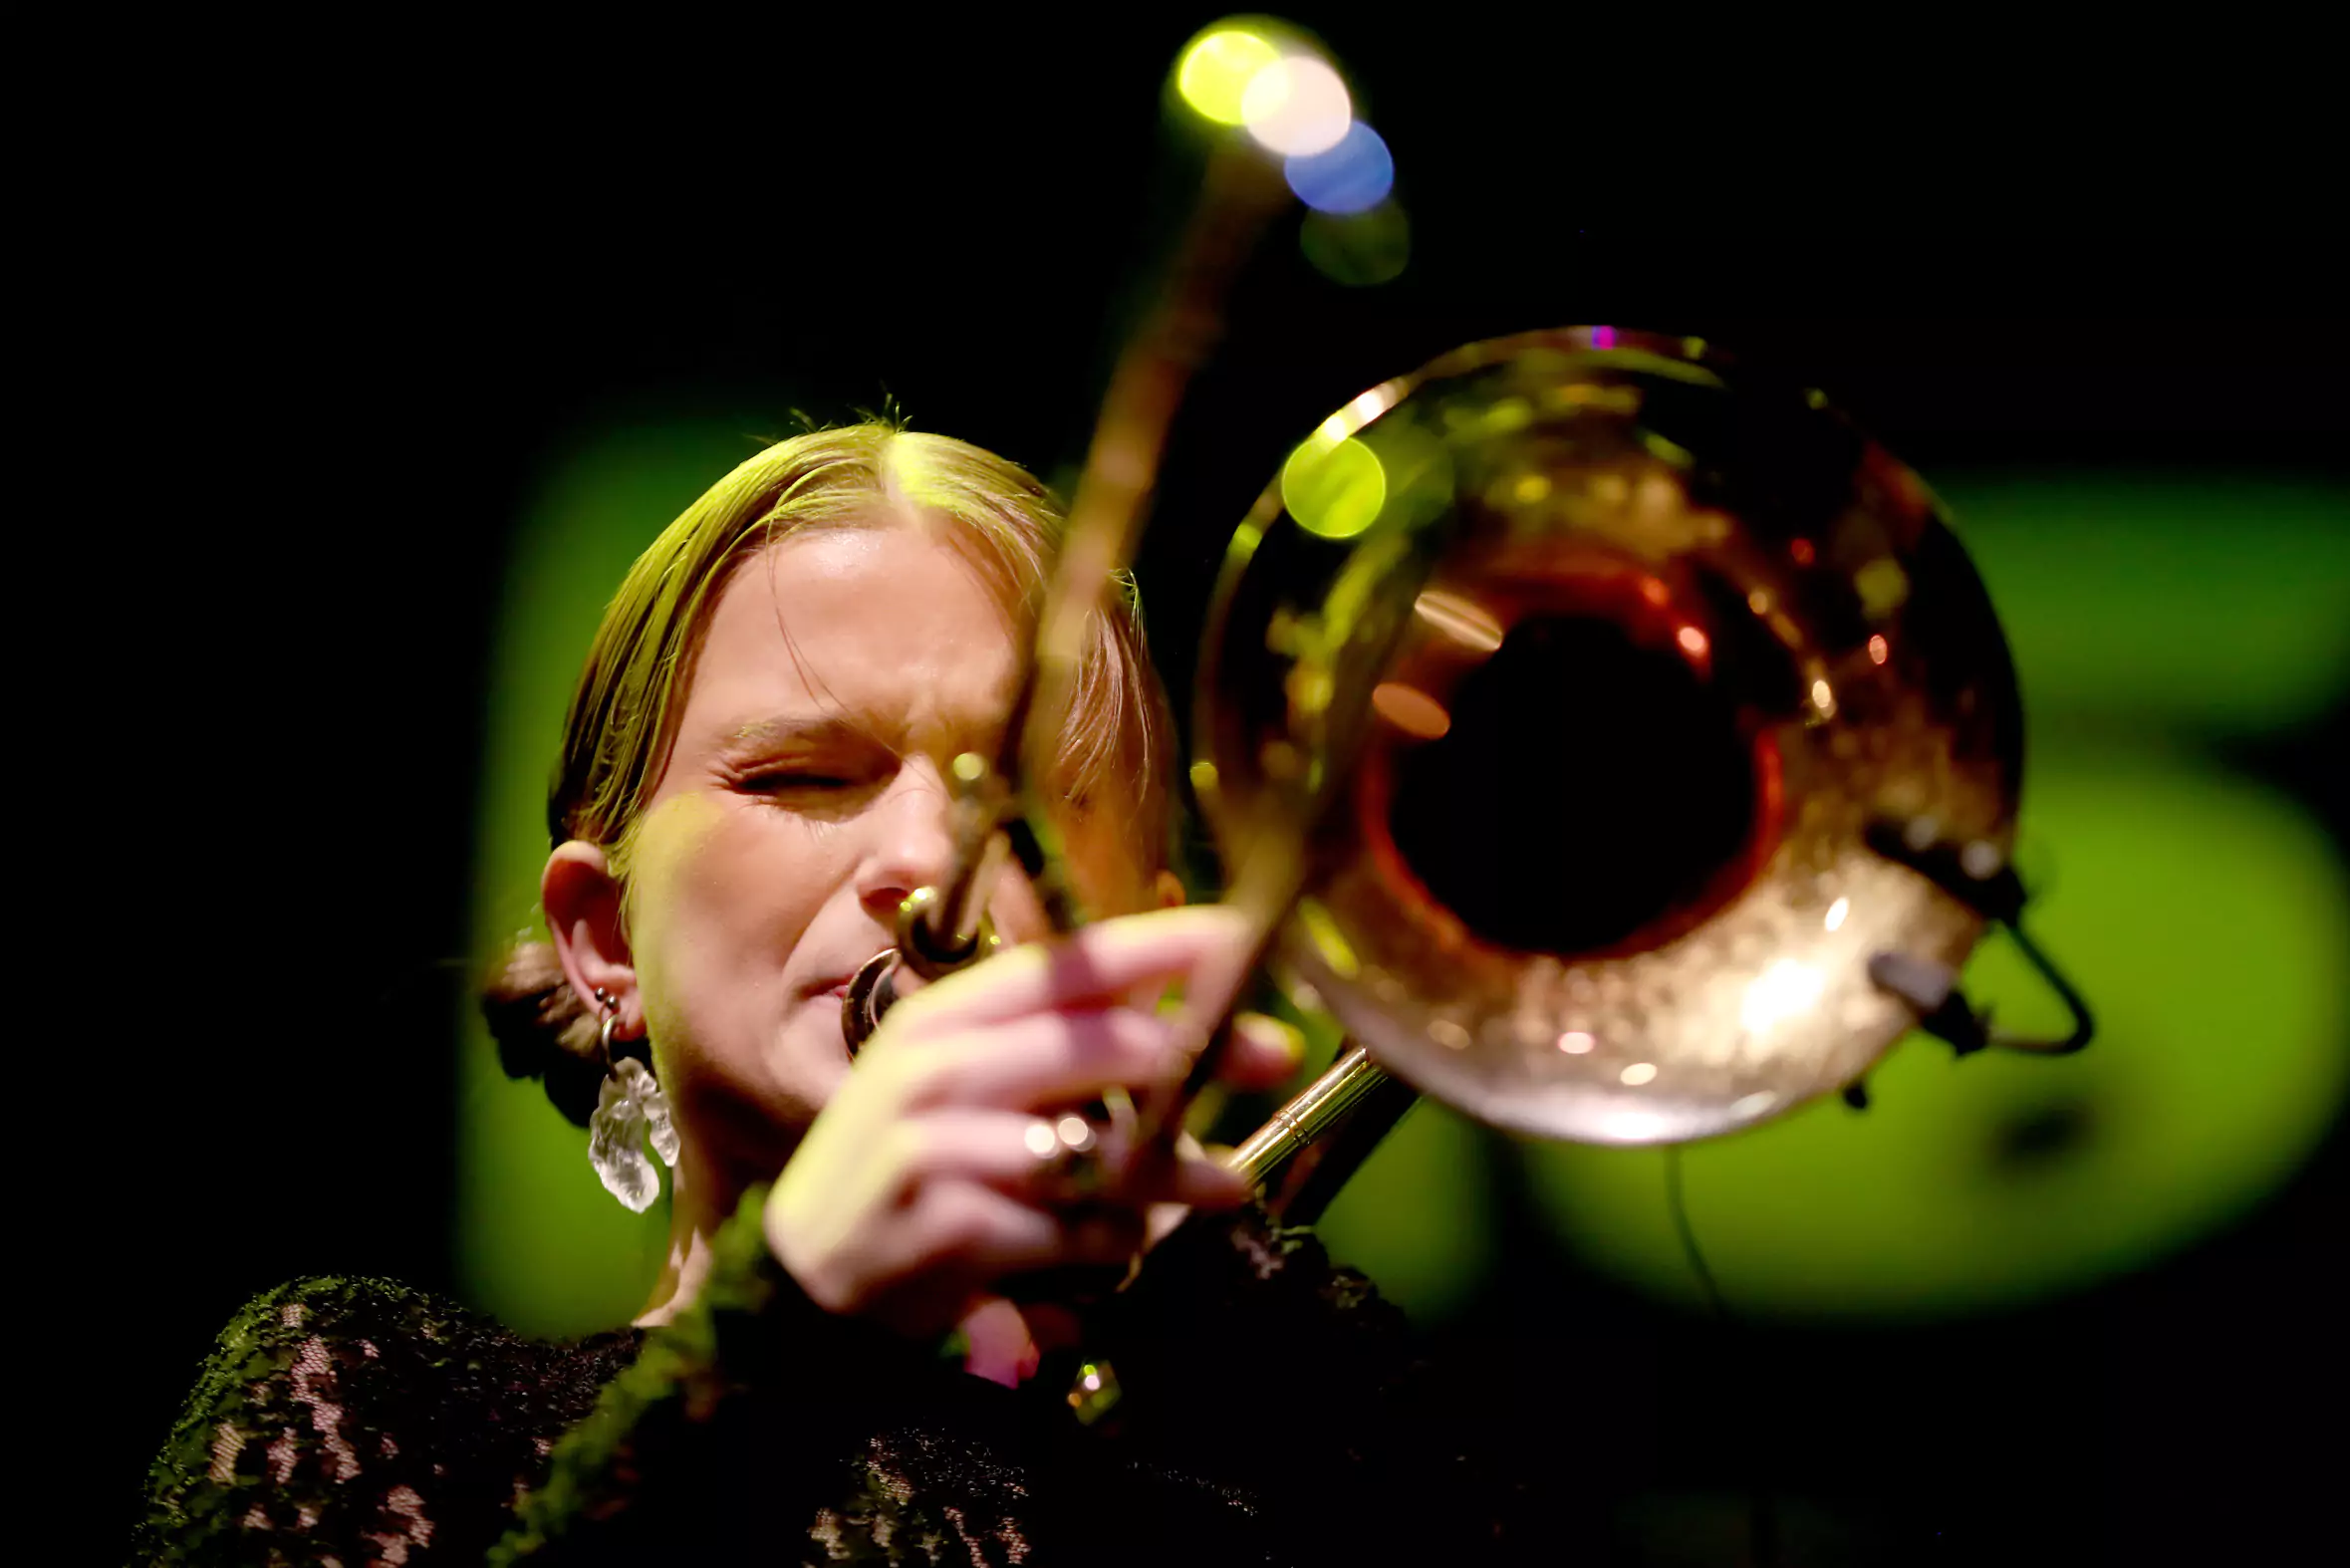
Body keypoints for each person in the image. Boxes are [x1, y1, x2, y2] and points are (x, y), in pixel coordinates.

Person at [132, 423, 1543, 1565]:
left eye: (1021, 802)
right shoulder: (369, 1405)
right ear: (604, 939)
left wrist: (1239, 1304)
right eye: (803, 776)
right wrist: (790, 1322)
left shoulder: (1301, 1484)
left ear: (1147, 951)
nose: (927, 860)